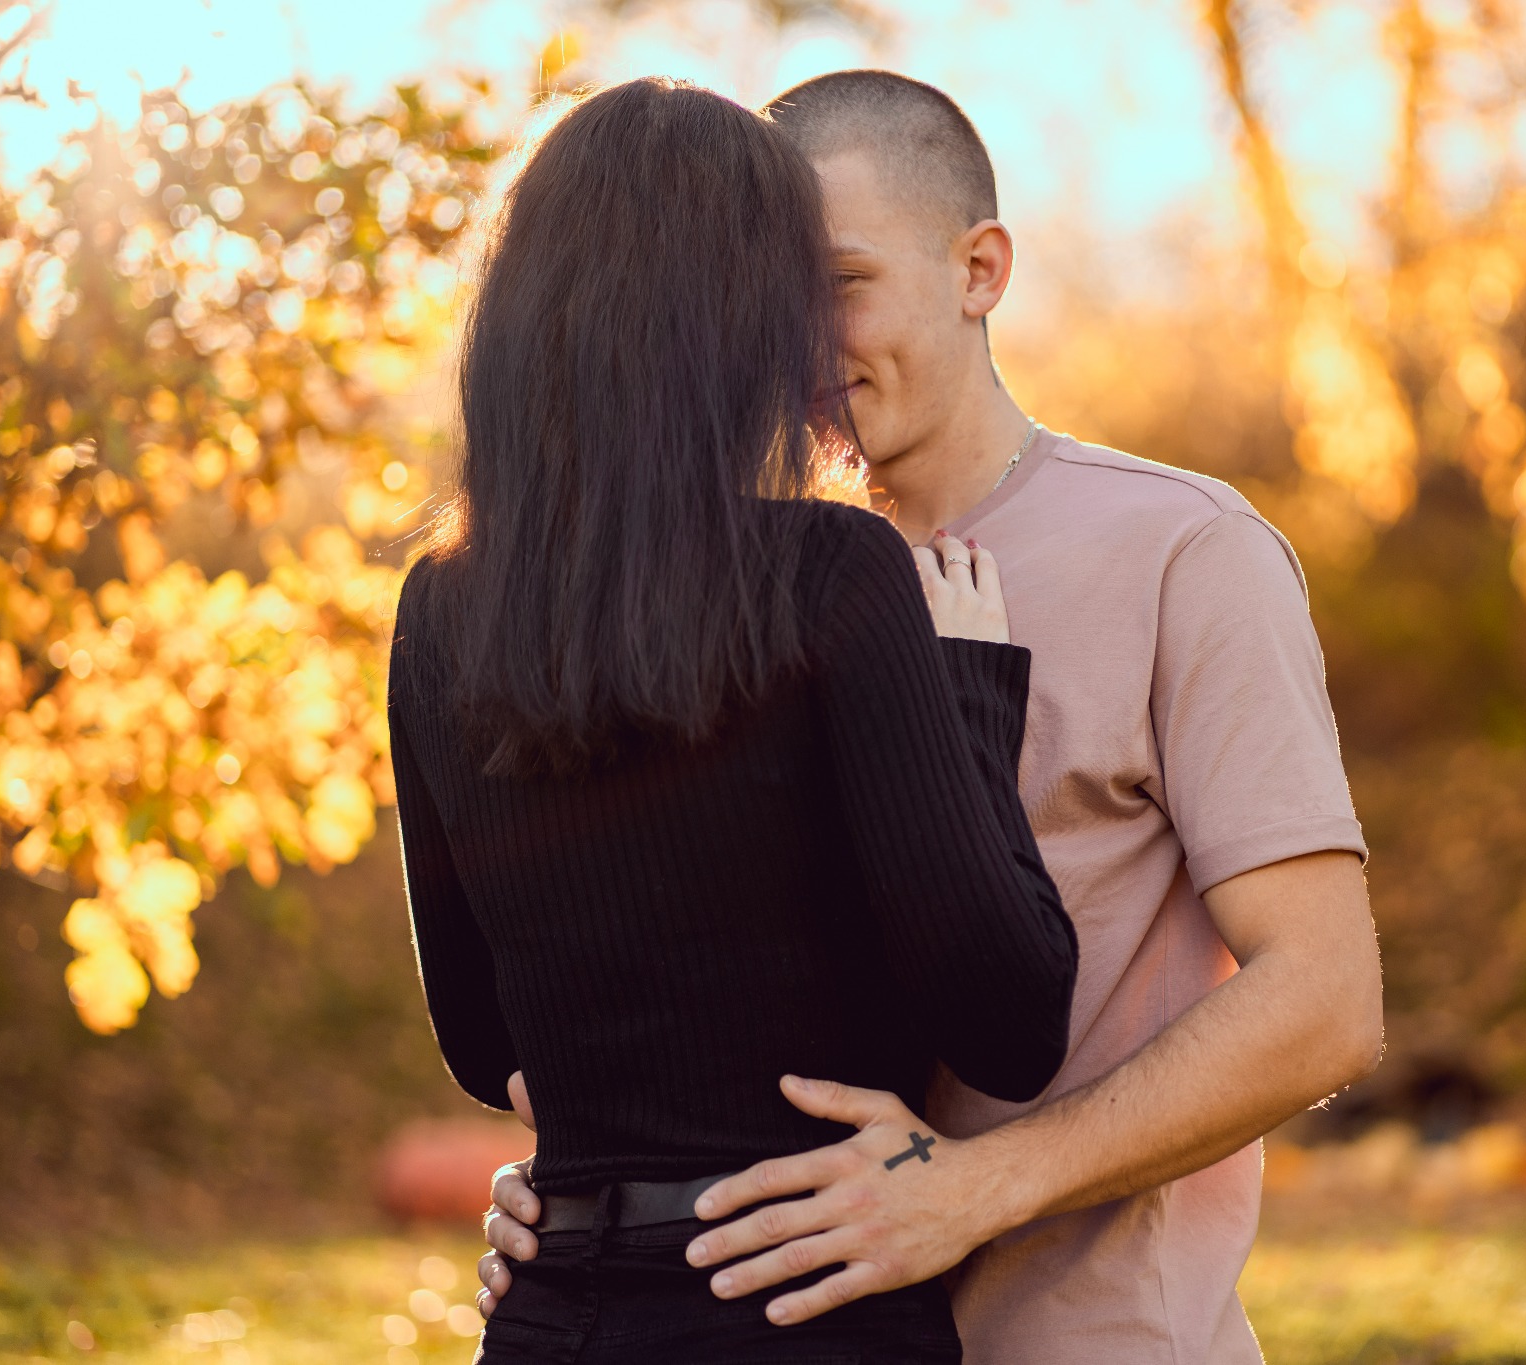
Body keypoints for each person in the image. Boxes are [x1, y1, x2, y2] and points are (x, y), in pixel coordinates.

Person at [478, 70, 1385, 1363]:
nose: (798, 341)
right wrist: (596, 1202)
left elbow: (1325, 1000)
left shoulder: (1184, 551)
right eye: (764, 297)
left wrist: (975, 1186)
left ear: (980, 269)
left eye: (841, 284)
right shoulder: (732, 594)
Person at [389, 76, 1078, 1364]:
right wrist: (973, 699)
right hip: (807, 1306)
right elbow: (1010, 1025)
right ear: (742, 317)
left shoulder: (441, 609)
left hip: (555, 1317)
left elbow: (486, 1048)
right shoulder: (833, 576)